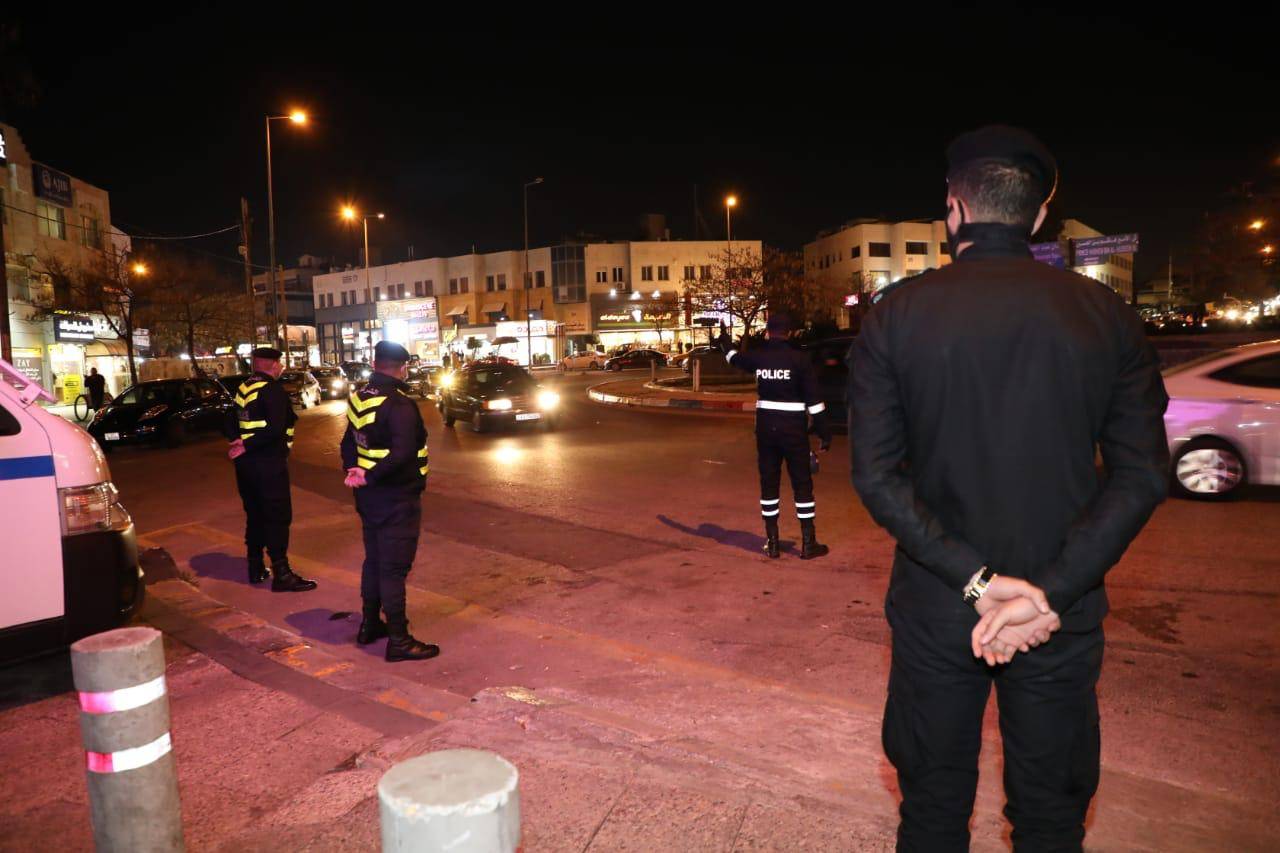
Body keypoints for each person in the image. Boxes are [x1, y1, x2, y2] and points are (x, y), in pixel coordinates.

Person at [849, 125, 1169, 851]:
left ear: (954, 208)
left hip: (939, 608)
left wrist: (976, 580)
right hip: (1058, 613)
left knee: (932, 812)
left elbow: (876, 475)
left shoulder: (896, 316)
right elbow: (1143, 473)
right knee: (1052, 820)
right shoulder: (1107, 316)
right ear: (1039, 215)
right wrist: (1048, 591)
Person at [340, 341, 438, 662]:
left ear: (375, 363)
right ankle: (399, 640)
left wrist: (355, 471)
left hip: (369, 498)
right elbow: (403, 454)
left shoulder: (360, 397)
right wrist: (370, 476)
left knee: (374, 560)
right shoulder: (398, 405)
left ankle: (370, 624)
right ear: (403, 367)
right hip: (396, 497)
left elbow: (348, 443)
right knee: (394, 568)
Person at [714, 313, 833, 559]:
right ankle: (808, 543)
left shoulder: (759, 356)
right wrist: (824, 432)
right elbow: (814, 401)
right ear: (789, 333)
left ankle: (773, 542)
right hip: (794, 430)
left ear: (768, 332)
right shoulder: (800, 360)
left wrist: (725, 342)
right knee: (802, 483)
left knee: (769, 482)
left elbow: (735, 359)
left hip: (766, 430)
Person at [224, 346, 317, 592]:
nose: (282, 367)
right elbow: (276, 429)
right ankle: (282, 574)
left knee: (255, 515)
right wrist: (246, 444)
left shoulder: (243, 388)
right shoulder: (272, 389)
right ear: (274, 365)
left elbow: (229, 420)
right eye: (280, 364)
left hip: (246, 466)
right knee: (277, 516)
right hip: (268, 464)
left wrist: (237, 441)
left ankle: (255, 566)